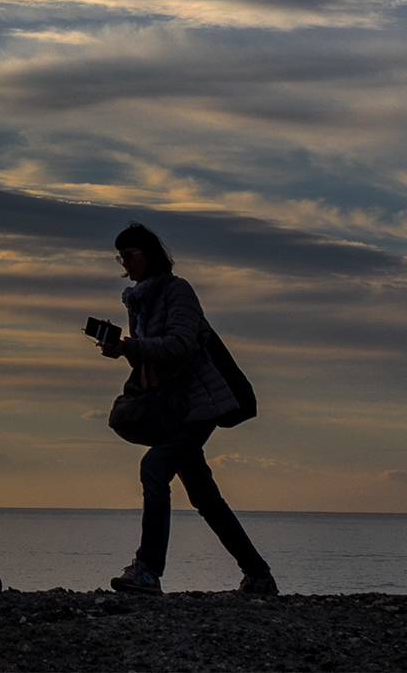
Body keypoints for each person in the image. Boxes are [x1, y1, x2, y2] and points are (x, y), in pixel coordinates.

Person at [96, 222, 276, 597]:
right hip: (173, 407)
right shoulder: (139, 301)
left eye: (130, 256)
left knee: (154, 467)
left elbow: (179, 345)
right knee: (205, 497)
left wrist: (130, 347)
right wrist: (124, 350)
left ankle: (147, 570)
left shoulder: (178, 291)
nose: (125, 264)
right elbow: (151, 361)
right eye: (121, 257)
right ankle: (258, 576)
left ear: (151, 255)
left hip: (198, 404)